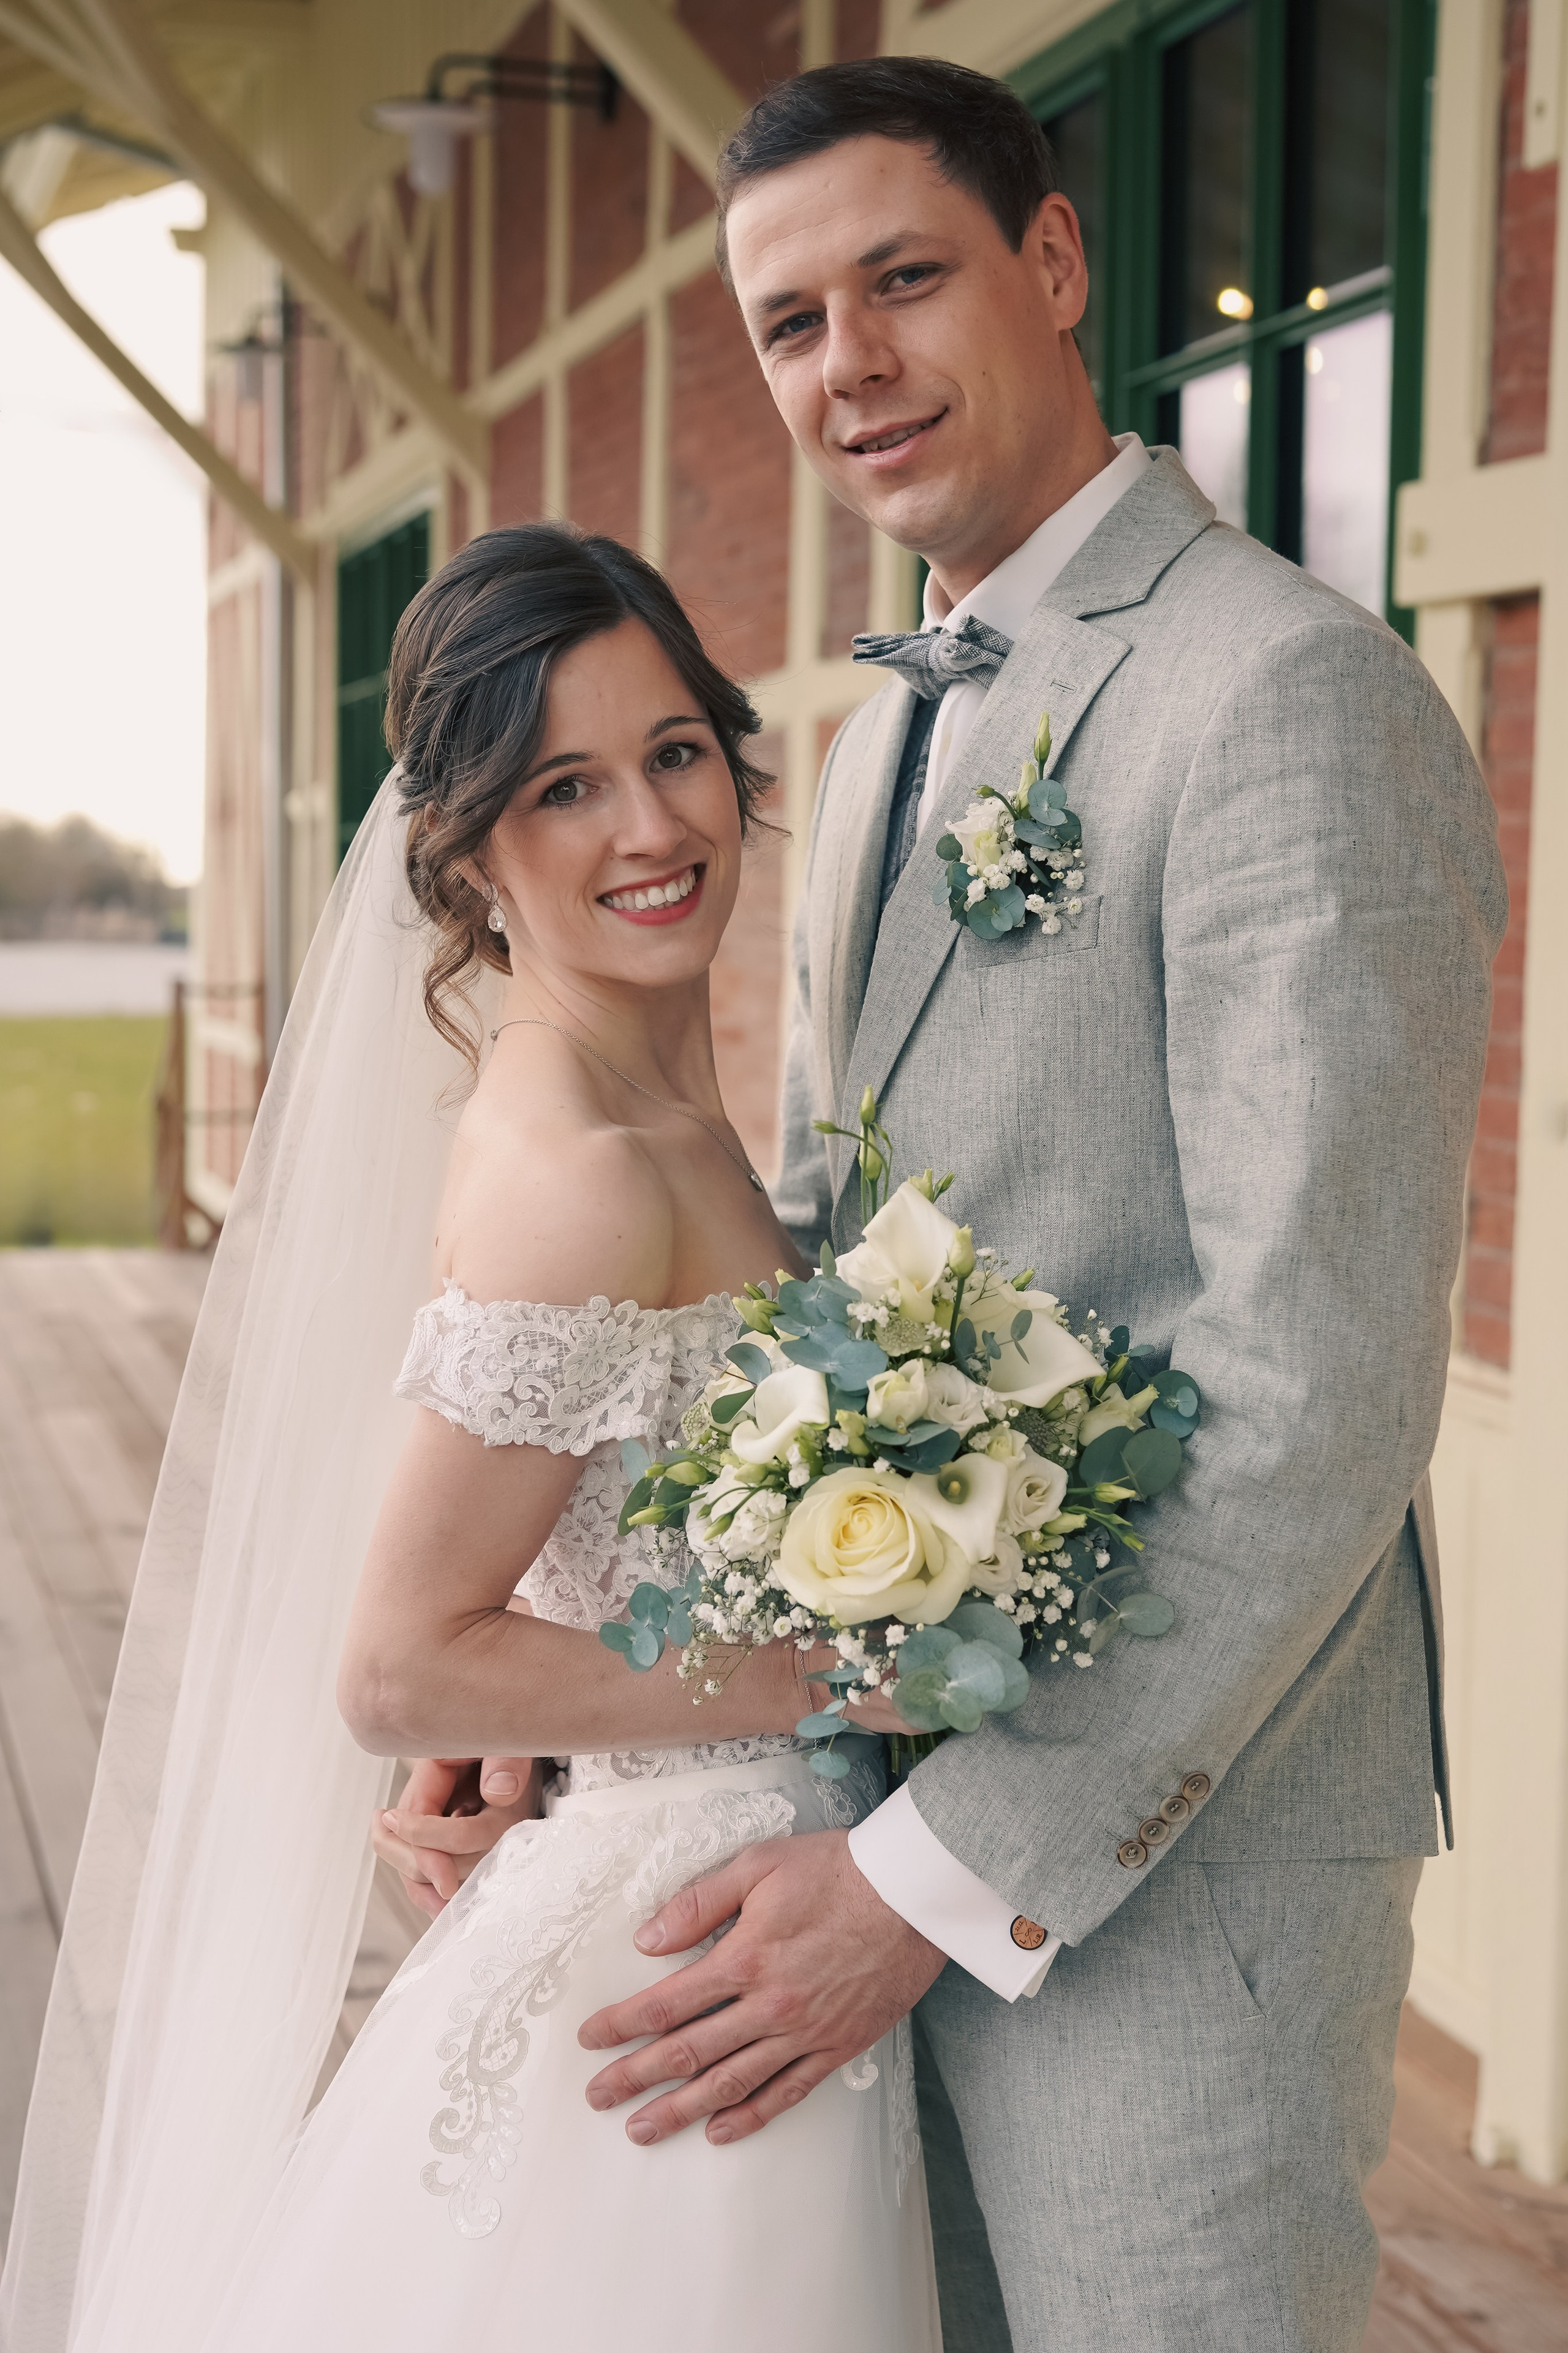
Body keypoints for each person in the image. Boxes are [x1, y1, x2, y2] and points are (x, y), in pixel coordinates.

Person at [390, 59, 1507, 2353]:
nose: (849, 367)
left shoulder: (1291, 697)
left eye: (906, 279)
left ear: (1061, 264)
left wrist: (931, 1874)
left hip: (1168, 1864)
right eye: (792, 323)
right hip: (851, 1793)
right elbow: (825, 1266)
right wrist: (583, 1682)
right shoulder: (891, 717)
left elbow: (1316, 1387)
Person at [0, 526, 939, 2353]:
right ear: (467, 851)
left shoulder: (658, 1110)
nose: (651, 829)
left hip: (727, 1913)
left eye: (675, 752)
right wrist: (833, 1666)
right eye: (563, 786)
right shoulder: (580, 1170)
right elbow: (401, 1662)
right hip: (673, 1978)